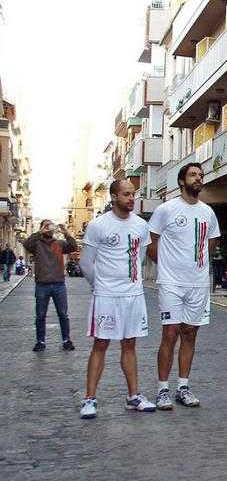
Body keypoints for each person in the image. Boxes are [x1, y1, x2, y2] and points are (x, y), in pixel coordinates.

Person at [78, 179, 156, 419]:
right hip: (106, 296)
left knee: (130, 344)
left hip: (132, 295)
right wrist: (100, 286)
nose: (131, 198)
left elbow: (140, 258)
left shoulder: (141, 226)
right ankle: (89, 399)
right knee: (101, 344)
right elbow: (85, 263)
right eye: (126, 194)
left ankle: (133, 397)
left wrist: (131, 283)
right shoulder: (98, 225)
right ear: (113, 197)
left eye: (133, 194)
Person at [148, 162, 221, 409]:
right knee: (170, 333)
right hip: (171, 283)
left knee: (190, 333)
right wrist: (168, 265)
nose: (198, 178)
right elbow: (151, 243)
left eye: (200, 175)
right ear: (181, 181)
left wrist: (198, 267)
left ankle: (183, 386)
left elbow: (211, 243)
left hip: (198, 284)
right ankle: (162, 390)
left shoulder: (208, 213)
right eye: (192, 175)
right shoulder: (166, 210)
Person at [23, 220, 78, 352]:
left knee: (63, 314)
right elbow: (26, 244)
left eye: (51, 226)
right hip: (42, 285)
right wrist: (39, 232)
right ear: (42, 228)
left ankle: (66, 340)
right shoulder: (36, 244)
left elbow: (73, 246)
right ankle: (40, 341)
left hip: (59, 284)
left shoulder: (58, 244)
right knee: (40, 315)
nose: (49, 229)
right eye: (46, 226)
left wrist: (66, 233)